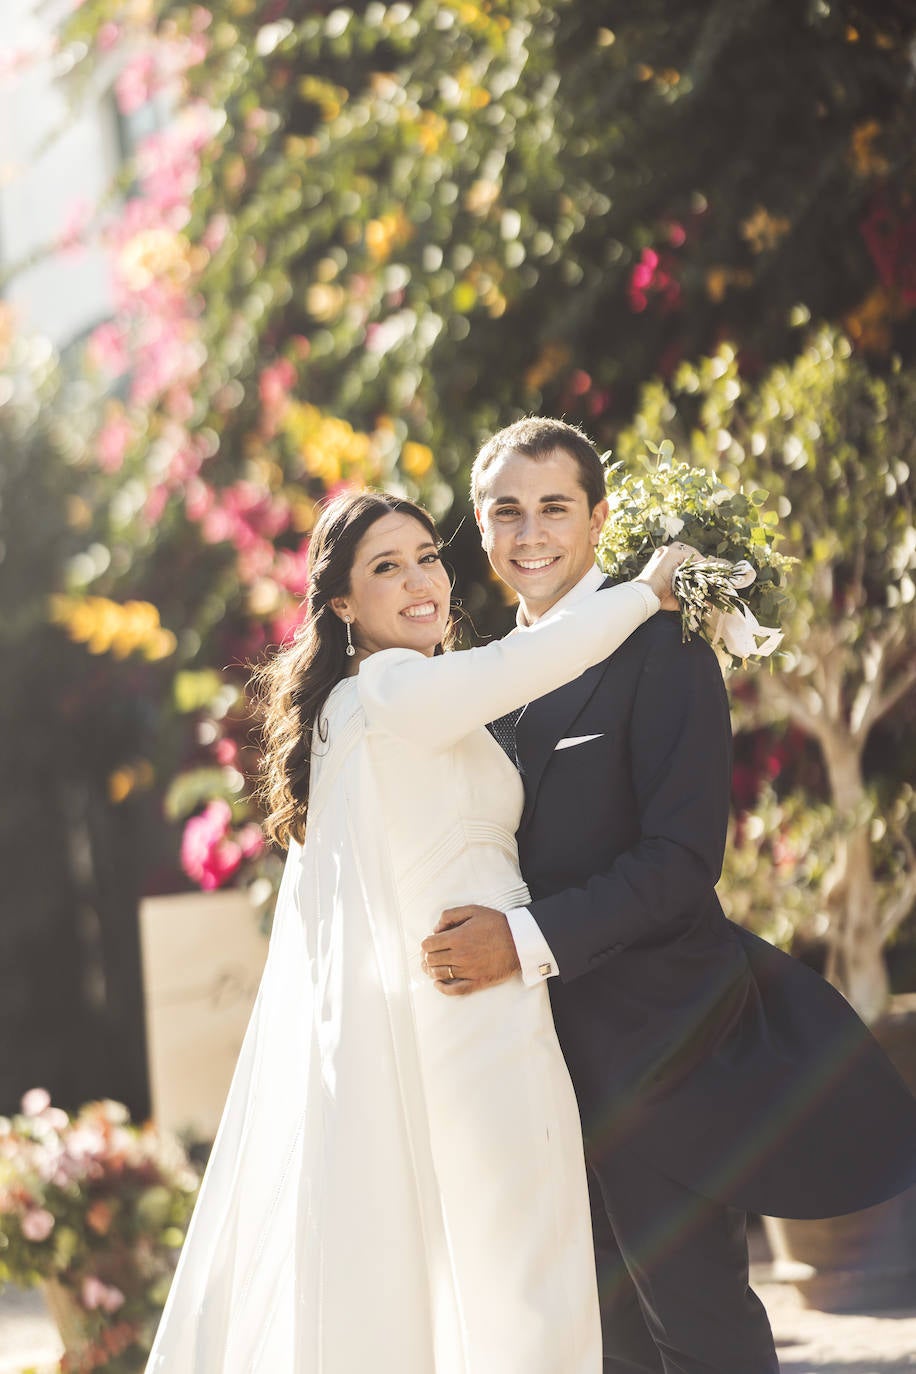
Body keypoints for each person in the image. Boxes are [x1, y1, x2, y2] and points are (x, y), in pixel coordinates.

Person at [143, 488, 691, 1374]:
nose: (419, 581)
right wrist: (647, 589)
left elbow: (508, 666)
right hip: (468, 1020)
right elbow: (530, 663)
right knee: (523, 1282)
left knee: (507, 1277)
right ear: (342, 605)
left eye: (428, 557)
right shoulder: (385, 689)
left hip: (494, 1004)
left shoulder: (408, 696)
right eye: (385, 568)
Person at [421, 415, 916, 1374]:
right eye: (506, 512)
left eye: (554, 508)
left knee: (699, 1335)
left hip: (661, 1057)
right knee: (593, 1347)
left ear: (599, 519)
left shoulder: (665, 651)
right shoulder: (473, 680)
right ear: (479, 532)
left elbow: (680, 864)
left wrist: (519, 941)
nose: (530, 534)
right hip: (524, 1071)